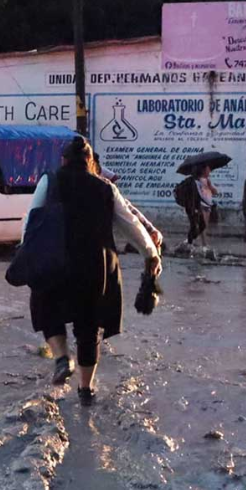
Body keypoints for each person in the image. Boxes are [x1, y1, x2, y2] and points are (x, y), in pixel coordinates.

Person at [25, 137, 161, 406]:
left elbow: (32, 220)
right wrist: (151, 254)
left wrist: (25, 252)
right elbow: (130, 224)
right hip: (95, 265)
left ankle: (62, 357)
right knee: (89, 326)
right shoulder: (105, 188)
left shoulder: (49, 181)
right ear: (90, 162)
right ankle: (86, 390)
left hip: (55, 260)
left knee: (46, 307)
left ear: (63, 160)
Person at [194, 165, 218, 248]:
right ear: (203, 171)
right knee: (203, 224)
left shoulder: (208, 181)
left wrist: (210, 185)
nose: (209, 171)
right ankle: (204, 243)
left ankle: (203, 242)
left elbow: (215, 192)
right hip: (201, 205)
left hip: (208, 205)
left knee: (205, 225)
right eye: (208, 170)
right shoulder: (198, 181)